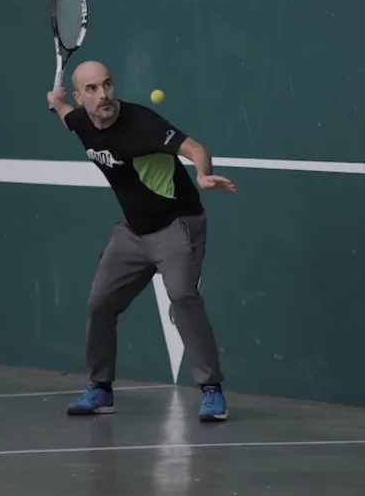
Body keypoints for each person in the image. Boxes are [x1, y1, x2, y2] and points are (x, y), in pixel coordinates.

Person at [46, 60, 236, 422]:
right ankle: (100, 389)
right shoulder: (82, 121)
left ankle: (211, 390)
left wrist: (203, 174)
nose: (103, 95)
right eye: (92, 89)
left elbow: (195, 148)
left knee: (182, 296)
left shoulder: (143, 123)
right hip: (133, 233)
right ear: (80, 98)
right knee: (99, 304)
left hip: (177, 225)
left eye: (107, 84)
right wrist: (57, 103)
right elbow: (68, 115)